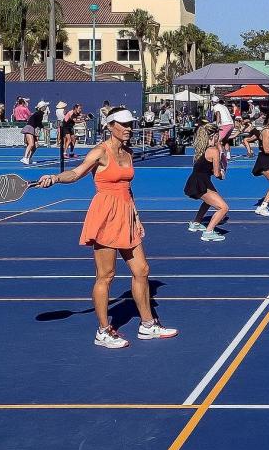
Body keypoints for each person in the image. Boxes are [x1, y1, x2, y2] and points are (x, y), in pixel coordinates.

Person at [37, 107, 177, 349]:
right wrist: (56, 178)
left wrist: (135, 214)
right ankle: (103, 331)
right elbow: (77, 173)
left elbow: (127, 188)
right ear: (110, 125)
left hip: (126, 214)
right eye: (123, 124)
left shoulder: (129, 152)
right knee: (107, 275)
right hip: (105, 215)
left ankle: (147, 325)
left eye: (130, 124)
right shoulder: (100, 152)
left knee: (142, 270)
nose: (129, 129)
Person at [184, 121, 229, 242]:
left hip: (197, 181)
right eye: (217, 136)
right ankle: (208, 232)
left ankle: (196, 223)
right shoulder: (213, 151)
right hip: (200, 182)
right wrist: (222, 174)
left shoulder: (202, 149)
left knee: (208, 201)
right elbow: (216, 173)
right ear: (213, 136)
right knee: (223, 208)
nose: (218, 138)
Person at [21, 100, 48, 166]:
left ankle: (29, 158)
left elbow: (38, 124)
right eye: (45, 106)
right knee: (31, 144)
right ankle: (24, 158)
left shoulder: (39, 113)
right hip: (29, 128)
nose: (46, 107)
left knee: (35, 146)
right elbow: (39, 123)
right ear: (42, 107)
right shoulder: (40, 113)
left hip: (33, 129)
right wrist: (44, 128)